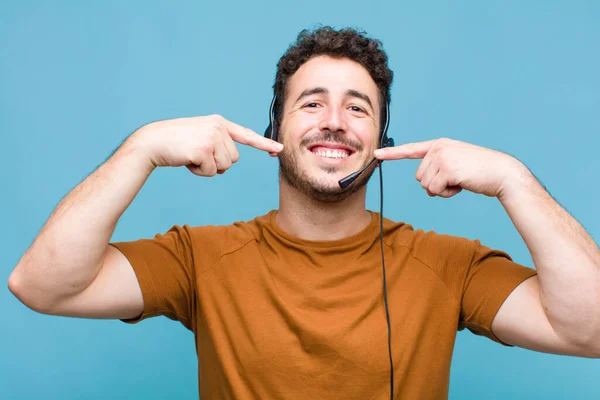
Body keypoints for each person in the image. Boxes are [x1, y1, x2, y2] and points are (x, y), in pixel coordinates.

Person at [8, 26, 600, 400]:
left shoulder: (449, 266)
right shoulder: (200, 258)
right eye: (311, 103)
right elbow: (41, 286)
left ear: (381, 140)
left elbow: (590, 329)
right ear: (275, 131)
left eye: (358, 108)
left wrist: (514, 182)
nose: (335, 121)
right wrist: (140, 149)